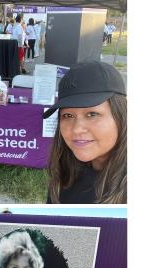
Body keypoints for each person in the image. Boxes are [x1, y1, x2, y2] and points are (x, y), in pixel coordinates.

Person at [43, 61, 127, 204]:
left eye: (92, 114)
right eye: (68, 116)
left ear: (121, 116)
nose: (76, 129)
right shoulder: (66, 173)